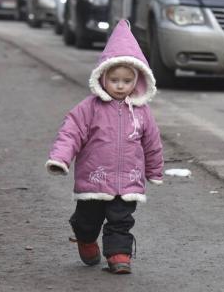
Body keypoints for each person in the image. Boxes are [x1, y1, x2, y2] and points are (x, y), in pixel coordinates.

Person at [46, 19, 163, 274]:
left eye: (127, 80)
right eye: (114, 79)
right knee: (89, 220)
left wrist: (154, 171)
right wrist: (61, 159)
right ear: (103, 76)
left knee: (121, 220)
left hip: (127, 181)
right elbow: (71, 133)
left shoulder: (142, 112)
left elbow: (152, 143)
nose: (120, 86)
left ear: (138, 80)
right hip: (94, 180)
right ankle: (86, 238)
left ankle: (119, 256)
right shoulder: (89, 108)